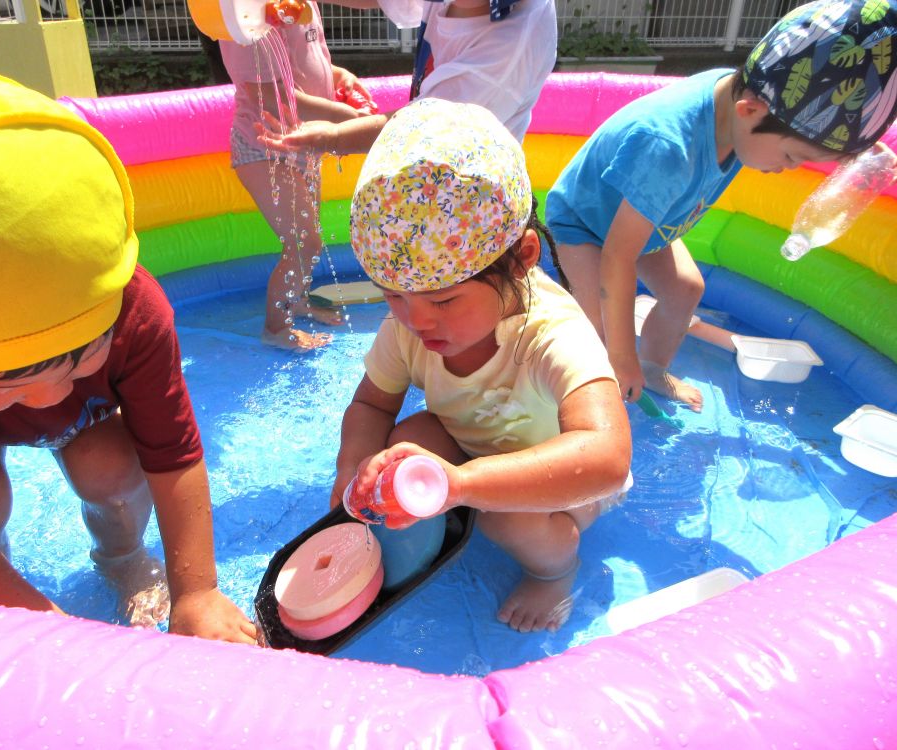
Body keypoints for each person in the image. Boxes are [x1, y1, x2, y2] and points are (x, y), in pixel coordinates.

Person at [0, 71, 257, 645]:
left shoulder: (134, 311)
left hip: (89, 431)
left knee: (112, 470)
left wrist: (198, 592)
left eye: (80, 352)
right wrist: (46, 635)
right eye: (6, 375)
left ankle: (122, 556)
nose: (51, 396)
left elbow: (173, 452)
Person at [333, 98, 632, 633]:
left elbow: (607, 456)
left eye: (443, 301)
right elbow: (371, 402)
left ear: (522, 259)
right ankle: (456, 504)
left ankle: (555, 568)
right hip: (473, 453)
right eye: (393, 297)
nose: (416, 320)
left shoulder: (552, 334)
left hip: (560, 482)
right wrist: (352, 468)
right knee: (406, 440)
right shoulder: (410, 321)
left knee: (506, 519)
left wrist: (464, 485)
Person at [546, 0, 897, 412]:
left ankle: (653, 367)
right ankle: (569, 402)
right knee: (599, 334)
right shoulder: (669, 148)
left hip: (649, 221)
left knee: (686, 289)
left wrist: (860, 150)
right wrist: (618, 355)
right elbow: (617, 258)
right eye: (791, 158)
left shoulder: (736, 106)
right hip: (586, 225)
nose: (787, 170)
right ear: (750, 111)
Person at [219, 2, 376, 351]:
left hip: (303, 142)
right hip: (264, 146)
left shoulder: (301, 5)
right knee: (304, 241)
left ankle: (298, 298)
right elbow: (270, 97)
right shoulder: (248, 18)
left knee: (309, 233)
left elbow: (311, 63)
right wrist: (346, 118)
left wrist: (340, 77)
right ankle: (276, 327)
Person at [256, 0, 557, 153]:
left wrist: (332, 137)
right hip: (433, 159)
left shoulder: (505, 51)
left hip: (473, 191)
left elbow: (421, 126)